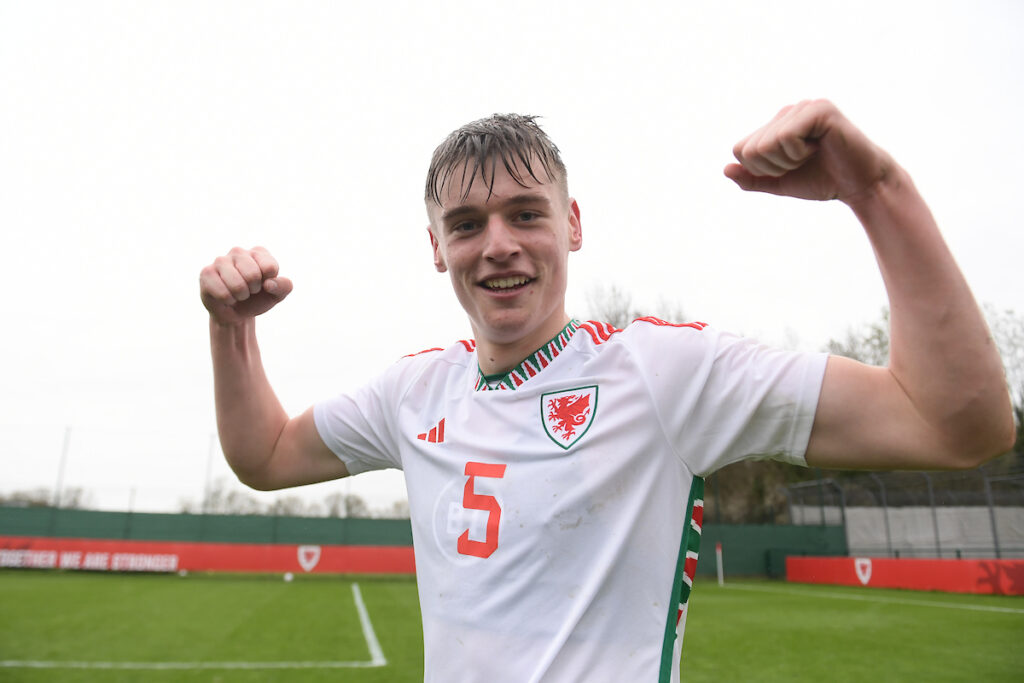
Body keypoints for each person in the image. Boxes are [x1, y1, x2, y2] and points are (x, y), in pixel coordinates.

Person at [198, 100, 1014, 682]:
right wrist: (231, 328)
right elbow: (265, 454)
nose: (499, 244)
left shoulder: (662, 374)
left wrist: (877, 191)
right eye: (467, 224)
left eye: (526, 214)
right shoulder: (413, 392)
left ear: (574, 224)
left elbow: (955, 425)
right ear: (437, 247)